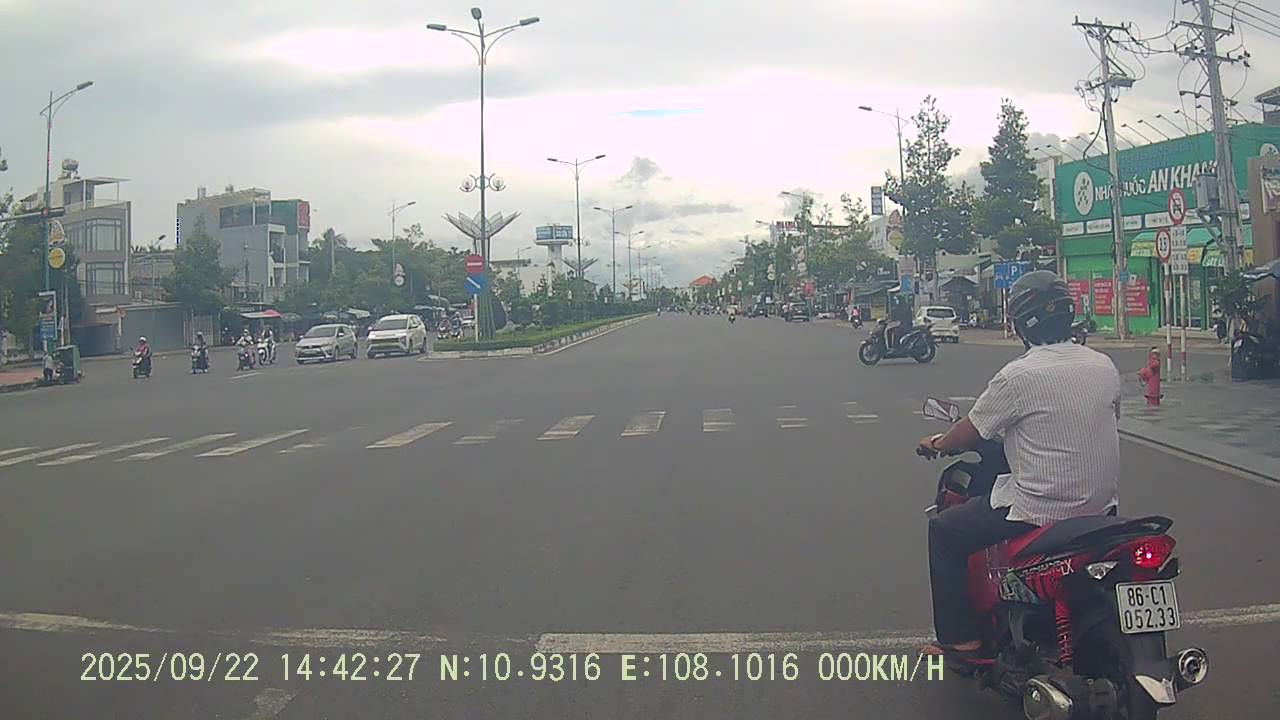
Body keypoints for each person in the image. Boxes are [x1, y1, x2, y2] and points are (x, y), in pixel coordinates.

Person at [915, 270, 1121, 662]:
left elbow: (971, 431)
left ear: (1022, 324)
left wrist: (938, 444)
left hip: (1040, 510)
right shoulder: (1104, 366)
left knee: (944, 531)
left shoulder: (1019, 375)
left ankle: (960, 640)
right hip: (1102, 509)